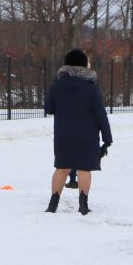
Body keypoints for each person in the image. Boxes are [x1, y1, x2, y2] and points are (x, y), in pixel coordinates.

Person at [44, 48, 112, 215]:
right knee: (84, 169)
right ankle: (83, 204)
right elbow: (100, 114)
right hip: (87, 135)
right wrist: (107, 139)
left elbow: (48, 108)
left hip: (63, 135)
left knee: (61, 168)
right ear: (84, 64)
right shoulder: (91, 87)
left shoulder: (58, 85)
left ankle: (53, 204)